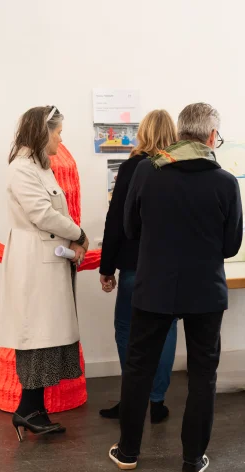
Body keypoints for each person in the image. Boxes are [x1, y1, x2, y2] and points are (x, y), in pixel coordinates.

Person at [108, 103, 243, 472]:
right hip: (205, 290)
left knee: (138, 369)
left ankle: (128, 452)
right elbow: (231, 245)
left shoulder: (148, 174)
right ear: (212, 137)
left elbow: (131, 228)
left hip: (154, 286)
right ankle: (191, 460)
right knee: (203, 374)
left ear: (180, 133)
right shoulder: (225, 182)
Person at [0, 105, 89, 441]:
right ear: (42, 132)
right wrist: (79, 234)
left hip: (47, 258)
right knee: (36, 334)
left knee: (45, 335)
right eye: (58, 132)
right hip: (34, 262)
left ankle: (32, 408)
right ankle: (29, 409)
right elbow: (41, 213)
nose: (60, 138)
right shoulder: (22, 169)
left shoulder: (40, 168)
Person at [98, 110, 179, 422]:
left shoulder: (133, 166)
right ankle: (157, 401)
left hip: (136, 264)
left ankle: (133, 397)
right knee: (166, 328)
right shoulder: (181, 166)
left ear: (143, 133)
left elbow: (116, 219)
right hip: (171, 265)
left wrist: (107, 267)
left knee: (127, 330)